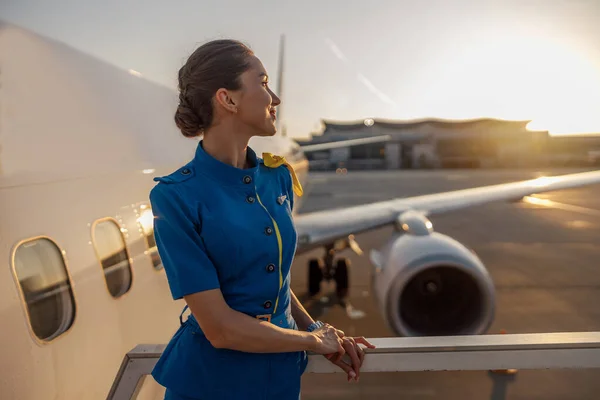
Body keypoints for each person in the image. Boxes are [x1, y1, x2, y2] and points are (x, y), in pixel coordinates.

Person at [149, 39, 375, 400]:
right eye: (264, 81)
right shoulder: (175, 196)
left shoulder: (277, 178)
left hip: (280, 378)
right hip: (209, 385)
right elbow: (221, 329)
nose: (276, 97)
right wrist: (312, 341)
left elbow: (277, 282)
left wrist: (316, 329)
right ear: (229, 99)